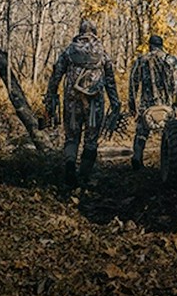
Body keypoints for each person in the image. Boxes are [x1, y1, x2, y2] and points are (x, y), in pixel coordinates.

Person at [45, 19, 121, 186]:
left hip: (72, 102)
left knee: (71, 138)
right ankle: (84, 176)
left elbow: (56, 75)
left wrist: (50, 96)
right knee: (91, 139)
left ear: (80, 31)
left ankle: (70, 168)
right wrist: (116, 103)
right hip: (95, 104)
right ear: (94, 32)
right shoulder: (102, 52)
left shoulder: (69, 51)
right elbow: (110, 81)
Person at [128, 34, 177, 170]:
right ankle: (169, 163)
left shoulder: (141, 60)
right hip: (166, 104)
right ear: (161, 45)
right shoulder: (170, 60)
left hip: (146, 104)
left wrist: (132, 105)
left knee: (141, 132)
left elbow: (133, 84)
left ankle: (137, 156)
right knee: (168, 132)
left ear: (149, 45)